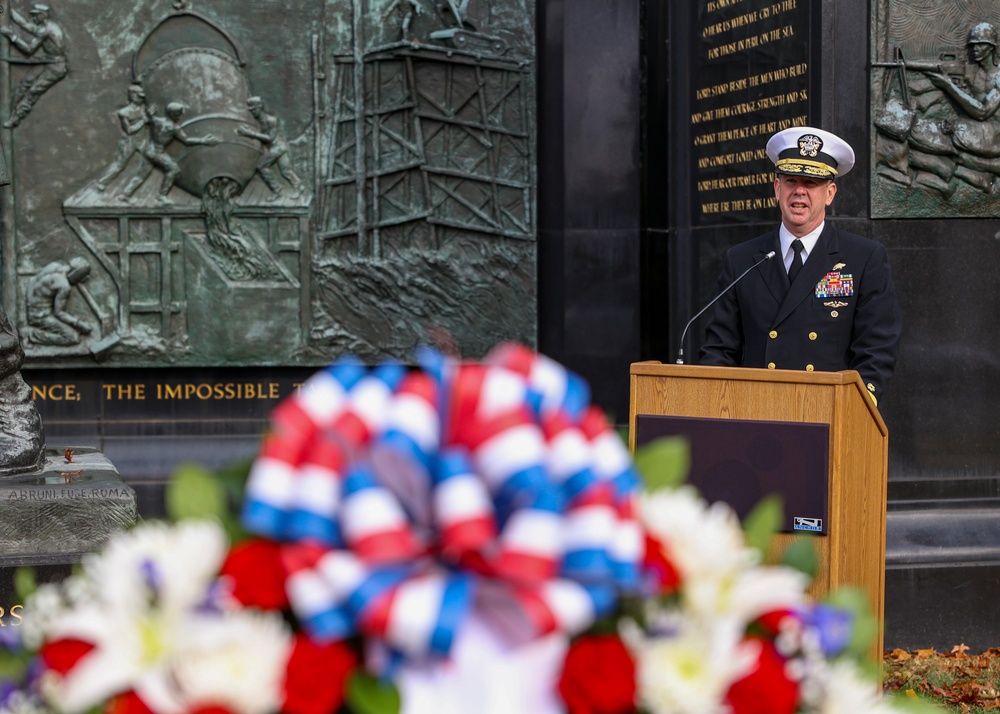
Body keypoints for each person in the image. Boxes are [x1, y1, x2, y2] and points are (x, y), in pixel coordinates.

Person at [699, 127, 902, 406]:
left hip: (829, 413)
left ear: (829, 193)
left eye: (811, 183)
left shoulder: (863, 258)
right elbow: (719, 348)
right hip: (755, 413)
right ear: (776, 188)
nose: (799, 192)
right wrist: (717, 402)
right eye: (791, 180)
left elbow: (876, 349)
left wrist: (855, 407)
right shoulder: (742, 259)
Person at [119, 101, 219, 203]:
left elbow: (148, 119)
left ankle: (125, 194)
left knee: (141, 175)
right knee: (174, 170)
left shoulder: (156, 120)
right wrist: (202, 140)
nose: (180, 117)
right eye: (179, 114)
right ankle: (161, 195)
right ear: (173, 115)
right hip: (158, 152)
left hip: (149, 150)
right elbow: (186, 141)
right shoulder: (174, 128)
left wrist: (148, 115)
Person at [0, 3, 68, 129]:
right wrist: (8, 10)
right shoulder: (46, 26)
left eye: (35, 16)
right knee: (25, 83)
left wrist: (12, 36)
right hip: (48, 62)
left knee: (33, 92)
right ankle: (12, 109)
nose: (33, 19)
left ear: (43, 15)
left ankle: (15, 118)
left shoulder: (46, 30)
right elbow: (25, 25)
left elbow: (29, 49)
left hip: (56, 67)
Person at [237, 96, 303, 200]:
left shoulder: (271, 120)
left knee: (261, 167)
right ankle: (299, 186)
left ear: (260, 107)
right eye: (251, 110)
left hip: (278, 147)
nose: (252, 112)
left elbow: (270, 138)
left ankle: (277, 190)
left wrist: (250, 133)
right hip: (279, 147)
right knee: (285, 170)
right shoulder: (258, 121)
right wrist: (248, 130)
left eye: (254, 109)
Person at [25, 257, 93, 346]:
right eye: (80, 278)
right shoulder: (64, 286)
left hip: (30, 306)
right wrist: (79, 324)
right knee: (73, 337)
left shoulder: (54, 266)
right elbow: (58, 313)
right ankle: (30, 334)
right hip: (39, 316)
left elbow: (32, 280)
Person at [96, 84, 151, 192]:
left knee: (151, 161)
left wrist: (149, 117)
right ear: (132, 96)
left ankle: (132, 189)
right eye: (139, 97)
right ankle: (103, 182)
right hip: (129, 141)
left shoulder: (144, 108)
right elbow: (129, 130)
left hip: (143, 140)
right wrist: (144, 121)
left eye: (142, 97)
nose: (141, 99)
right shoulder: (124, 113)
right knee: (119, 165)